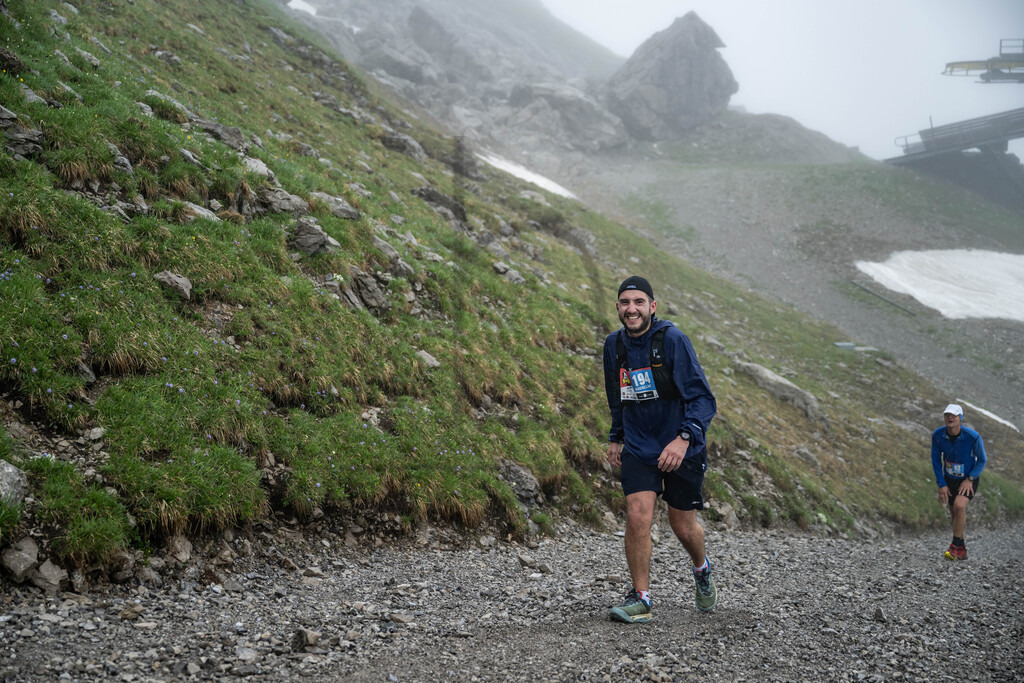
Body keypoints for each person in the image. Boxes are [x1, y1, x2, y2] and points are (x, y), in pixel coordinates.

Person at [602, 275, 718, 623]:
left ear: (652, 307)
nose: (631, 309)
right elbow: (616, 395)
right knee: (637, 515)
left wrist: (684, 439)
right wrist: (616, 436)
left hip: (681, 446)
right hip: (639, 444)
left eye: (639, 302)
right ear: (618, 308)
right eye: (625, 302)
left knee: (683, 527)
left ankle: (702, 568)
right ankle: (641, 598)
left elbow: (702, 399)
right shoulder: (614, 346)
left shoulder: (672, 340)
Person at [931, 403, 986, 561]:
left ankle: (954, 547)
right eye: (947, 415)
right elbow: (936, 461)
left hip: (968, 479)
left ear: (960, 418)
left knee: (959, 506)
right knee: (954, 512)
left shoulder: (972, 437)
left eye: (954, 415)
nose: (950, 418)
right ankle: (962, 549)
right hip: (949, 479)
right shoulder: (938, 435)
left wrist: (970, 479)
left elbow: (982, 460)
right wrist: (941, 484)